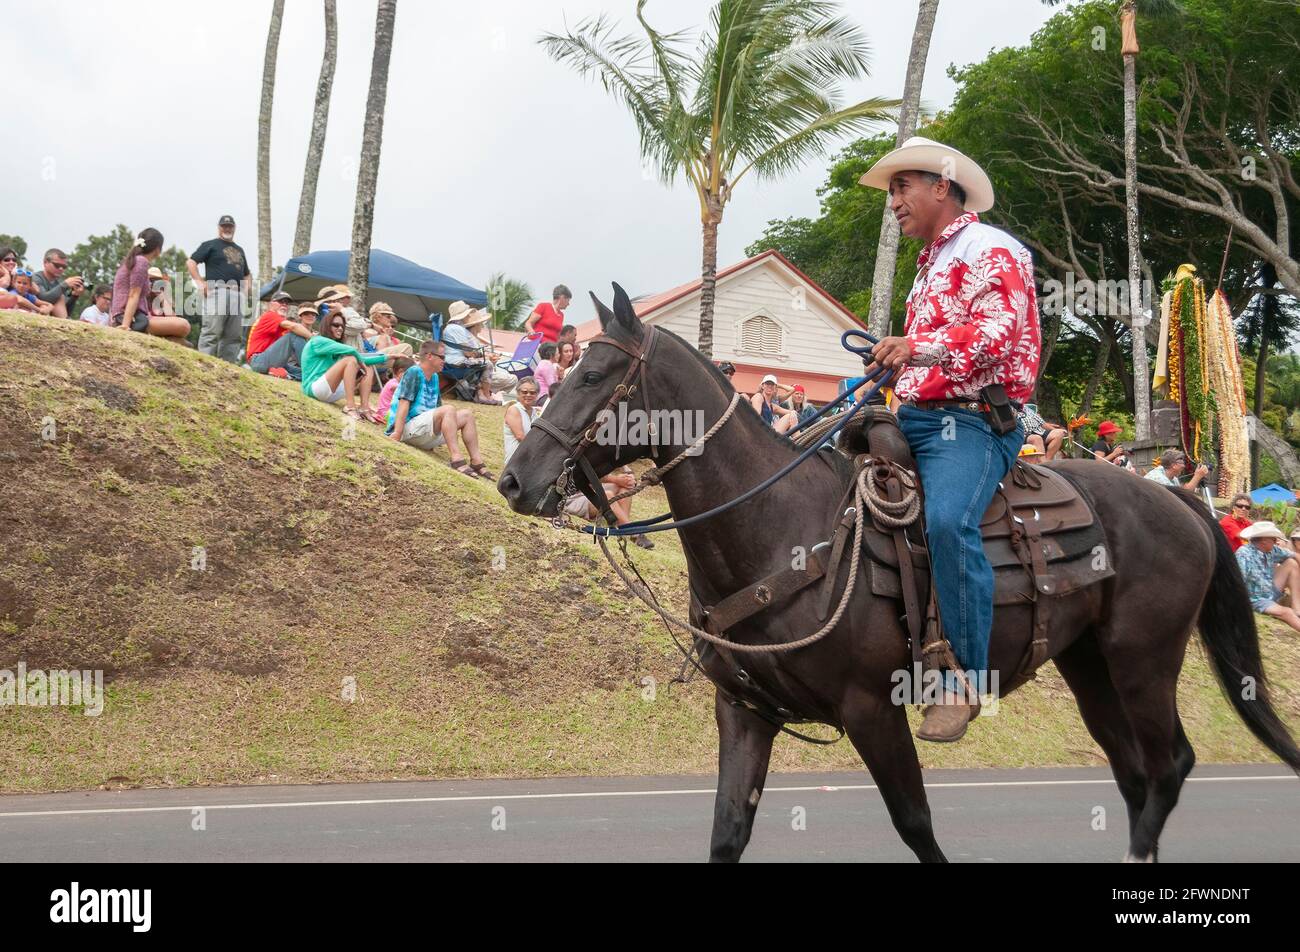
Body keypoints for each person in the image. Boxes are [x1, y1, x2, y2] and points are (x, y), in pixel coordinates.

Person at [859, 135, 1040, 742]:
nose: (893, 203)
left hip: (970, 422)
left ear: (941, 185)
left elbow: (999, 335)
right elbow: (927, 355)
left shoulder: (994, 249)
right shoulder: (931, 262)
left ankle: (962, 680)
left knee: (946, 523)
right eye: (891, 192)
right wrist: (890, 371)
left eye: (900, 188)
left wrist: (917, 347)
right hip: (915, 411)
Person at [386, 340, 494, 480]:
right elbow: (404, 403)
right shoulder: (414, 372)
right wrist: (397, 433)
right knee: (448, 409)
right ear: (430, 356)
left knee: (467, 414)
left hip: (423, 430)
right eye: (442, 357)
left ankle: (476, 461)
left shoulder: (435, 377)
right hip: (407, 429)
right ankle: (456, 458)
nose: (445, 361)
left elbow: (437, 409)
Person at [300, 306, 387, 420]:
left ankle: (364, 408)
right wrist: (360, 364)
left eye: (342, 326)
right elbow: (352, 351)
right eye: (336, 325)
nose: (340, 328)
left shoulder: (333, 346)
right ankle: (350, 407)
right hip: (314, 390)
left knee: (368, 366)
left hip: (331, 392)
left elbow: (362, 359)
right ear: (327, 326)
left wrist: (388, 357)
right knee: (351, 359)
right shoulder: (317, 340)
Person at [187, 215, 251, 362]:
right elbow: (191, 262)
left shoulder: (240, 250)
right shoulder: (210, 245)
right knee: (212, 331)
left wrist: (246, 291)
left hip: (237, 294)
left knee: (234, 336)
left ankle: (227, 367)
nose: (227, 228)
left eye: (230, 226)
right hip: (217, 290)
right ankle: (203, 364)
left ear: (234, 228)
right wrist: (200, 282)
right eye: (224, 226)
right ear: (219, 227)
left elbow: (247, 274)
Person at [109, 229, 192, 340]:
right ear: (158, 248)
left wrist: (163, 294)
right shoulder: (141, 262)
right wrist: (125, 325)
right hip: (131, 317)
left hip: (131, 316)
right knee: (184, 325)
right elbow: (133, 294)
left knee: (179, 335)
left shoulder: (132, 261)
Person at [443, 301, 516, 404]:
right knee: (487, 364)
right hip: (457, 364)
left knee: (483, 363)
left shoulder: (450, 328)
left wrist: (480, 355)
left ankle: (482, 394)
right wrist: (481, 355)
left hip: (451, 364)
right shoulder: (457, 328)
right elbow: (468, 352)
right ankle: (486, 395)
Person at [1235, 521, 1300, 632]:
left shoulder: (1271, 550)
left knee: (1291, 563)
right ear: (1264, 541)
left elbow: (1294, 555)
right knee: (1287, 613)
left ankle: (1297, 609)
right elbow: (1237, 584)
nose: (1276, 542)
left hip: (1268, 591)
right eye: (1274, 539)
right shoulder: (1244, 554)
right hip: (1255, 599)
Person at [246, 292, 314, 378]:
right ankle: (312, 367)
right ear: (271, 304)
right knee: (294, 335)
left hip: (266, 360)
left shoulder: (279, 321)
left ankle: (287, 375)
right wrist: (314, 338)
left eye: (286, 303)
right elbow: (294, 327)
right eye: (281, 301)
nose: (284, 305)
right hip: (258, 360)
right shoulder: (270, 315)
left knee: (305, 374)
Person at [31, 248, 85, 319]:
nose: (61, 269)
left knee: (60, 297)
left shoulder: (59, 283)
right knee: (60, 297)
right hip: (36, 314)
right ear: (45, 262)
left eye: (64, 267)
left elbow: (66, 311)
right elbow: (43, 298)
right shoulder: (36, 277)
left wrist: (74, 295)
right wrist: (64, 285)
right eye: (57, 265)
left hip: (53, 319)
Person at [503, 376, 541, 467]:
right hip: (515, 462)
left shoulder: (535, 413)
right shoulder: (514, 410)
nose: (528, 395)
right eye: (524, 392)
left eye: (532, 393)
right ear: (518, 393)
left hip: (530, 460)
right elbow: (520, 436)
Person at [1144, 448, 1209, 490]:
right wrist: (1197, 476)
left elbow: (1181, 491)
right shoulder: (1159, 478)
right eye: (1182, 463)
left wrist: (1197, 476)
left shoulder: (1172, 478)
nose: (1184, 466)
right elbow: (1182, 496)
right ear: (1173, 465)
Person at [375, 356, 415, 423]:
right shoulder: (393, 384)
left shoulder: (395, 382)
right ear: (400, 371)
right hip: (386, 413)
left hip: (388, 412)